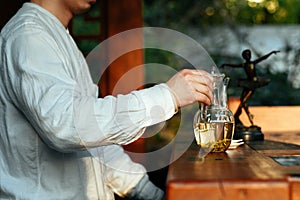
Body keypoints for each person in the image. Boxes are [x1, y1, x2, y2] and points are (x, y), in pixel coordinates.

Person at [0, 0, 214, 199]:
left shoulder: (54, 33)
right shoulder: (29, 35)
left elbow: (94, 142)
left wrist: (148, 191)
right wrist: (167, 96)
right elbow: (66, 124)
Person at [220, 49, 279, 127]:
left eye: (249, 55)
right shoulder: (244, 65)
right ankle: (241, 116)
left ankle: (243, 116)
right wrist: (226, 64)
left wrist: (271, 53)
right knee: (242, 101)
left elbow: (263, 58)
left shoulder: (253, 63)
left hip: (253, 83)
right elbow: (235, 66)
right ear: (244, 57)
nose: (248, 56)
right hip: (247, 83)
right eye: (246, 55)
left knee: (243, 101)